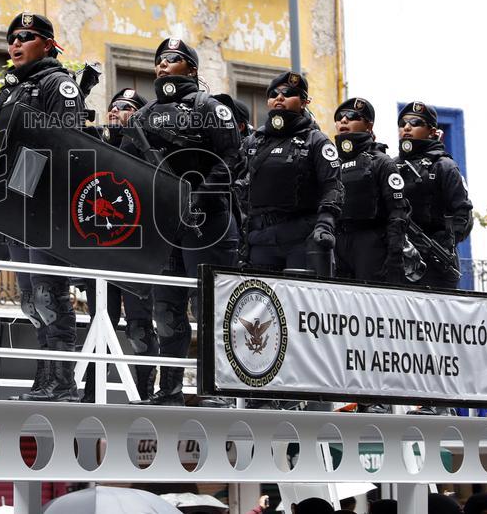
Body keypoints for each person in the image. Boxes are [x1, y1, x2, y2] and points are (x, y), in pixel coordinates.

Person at [121, 37, 243, 407]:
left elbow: (232, 160)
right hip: (165, 227)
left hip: (208, 221)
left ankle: (214, 391)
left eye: (172, 59)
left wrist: (198, 197)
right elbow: (127, 169)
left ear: (191, 68)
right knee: (165, 307)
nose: (162, 65)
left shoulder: (211, 108)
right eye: (159, 59)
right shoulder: (142, 118)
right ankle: (169, 389)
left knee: (210, 307)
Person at [0, 12, 86, 403]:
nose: (15, 43)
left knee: (49, 294)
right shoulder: (10, 89)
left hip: (45, 203)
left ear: (48, 44)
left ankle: (62, 382)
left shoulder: (58, 84)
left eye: (26, 36)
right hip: (14, 203)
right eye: (12, 37)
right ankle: (44, 378)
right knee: (30, 299)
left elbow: (65, 143)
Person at [83, 87, 159, 403]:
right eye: (113, 106)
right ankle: (91, 393)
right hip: (99, 249)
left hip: (135, 250)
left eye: (126, 107)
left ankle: (144, 393)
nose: (116, 111)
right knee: (101, 321)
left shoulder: (148, 150)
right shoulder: (94, 144)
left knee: (140, 325)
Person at [242, 71, 343, 275]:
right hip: (261, 239)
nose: (279, 97)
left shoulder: (316, 141)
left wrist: (325, 224)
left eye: (288, 93)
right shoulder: (254, 141)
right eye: (274, 94)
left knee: (301, 304)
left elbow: (333, 187)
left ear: (304, 102)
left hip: (302, 238)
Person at [395, 101, 472, 289]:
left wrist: (443, 241)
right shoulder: (391, 165)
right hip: (400, 254)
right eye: (403, 123)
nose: (407, 127)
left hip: (435, 257)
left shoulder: (444, 166)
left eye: (415, 123)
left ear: (431, 131)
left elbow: (463, 215)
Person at [333, 97, 410, 285]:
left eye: (352, 116)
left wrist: (395, 254)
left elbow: (398, 212)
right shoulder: (332, 163)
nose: (344, 120)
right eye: (340, 117)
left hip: (371, 245)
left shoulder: (382, 162)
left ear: (369, 126)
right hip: (338, 242)